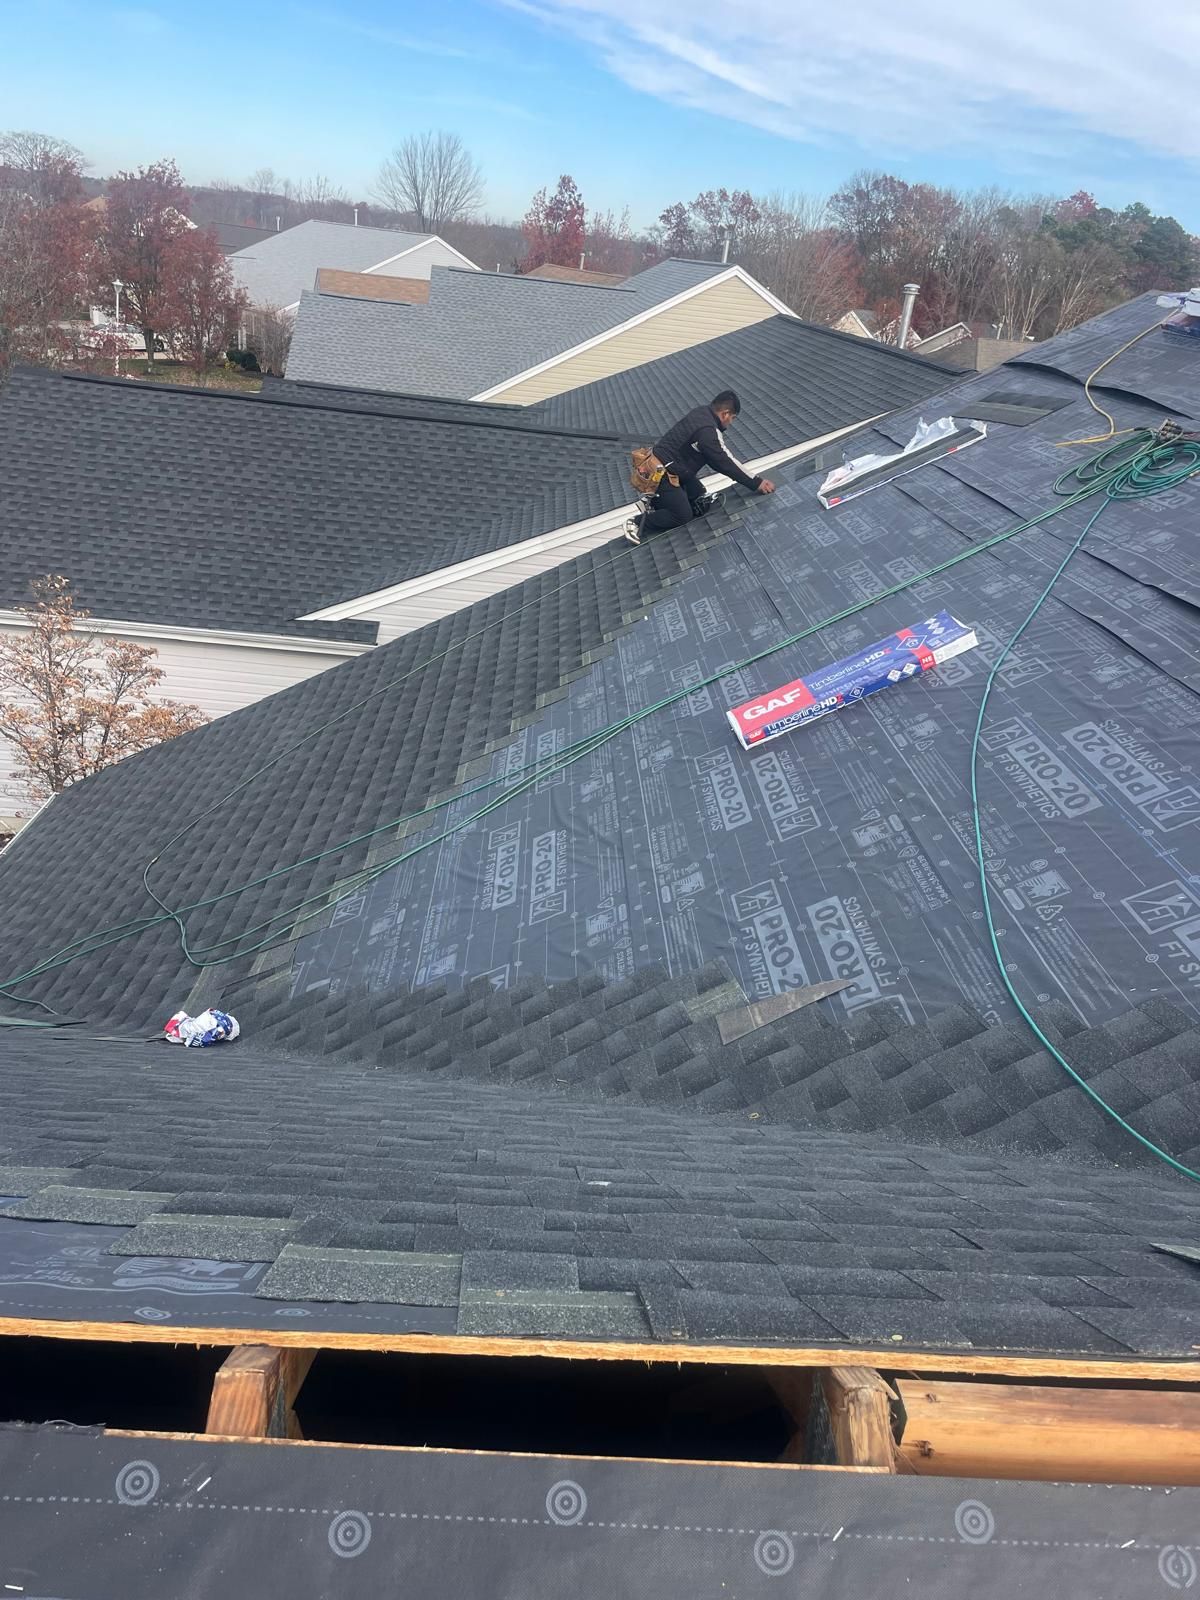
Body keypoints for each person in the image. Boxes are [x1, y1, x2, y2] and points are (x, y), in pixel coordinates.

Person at [624, 390, 775, 544]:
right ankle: (636, 521)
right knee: (682, 515)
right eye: (732, 418)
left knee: (699, 499)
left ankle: (658, 502)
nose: (731, 422)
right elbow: (724, 462)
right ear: (725, 413)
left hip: (671, 470)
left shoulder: (701, 413)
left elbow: (715, 459)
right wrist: (756, 483)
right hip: (661, 476)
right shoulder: (707, 432)